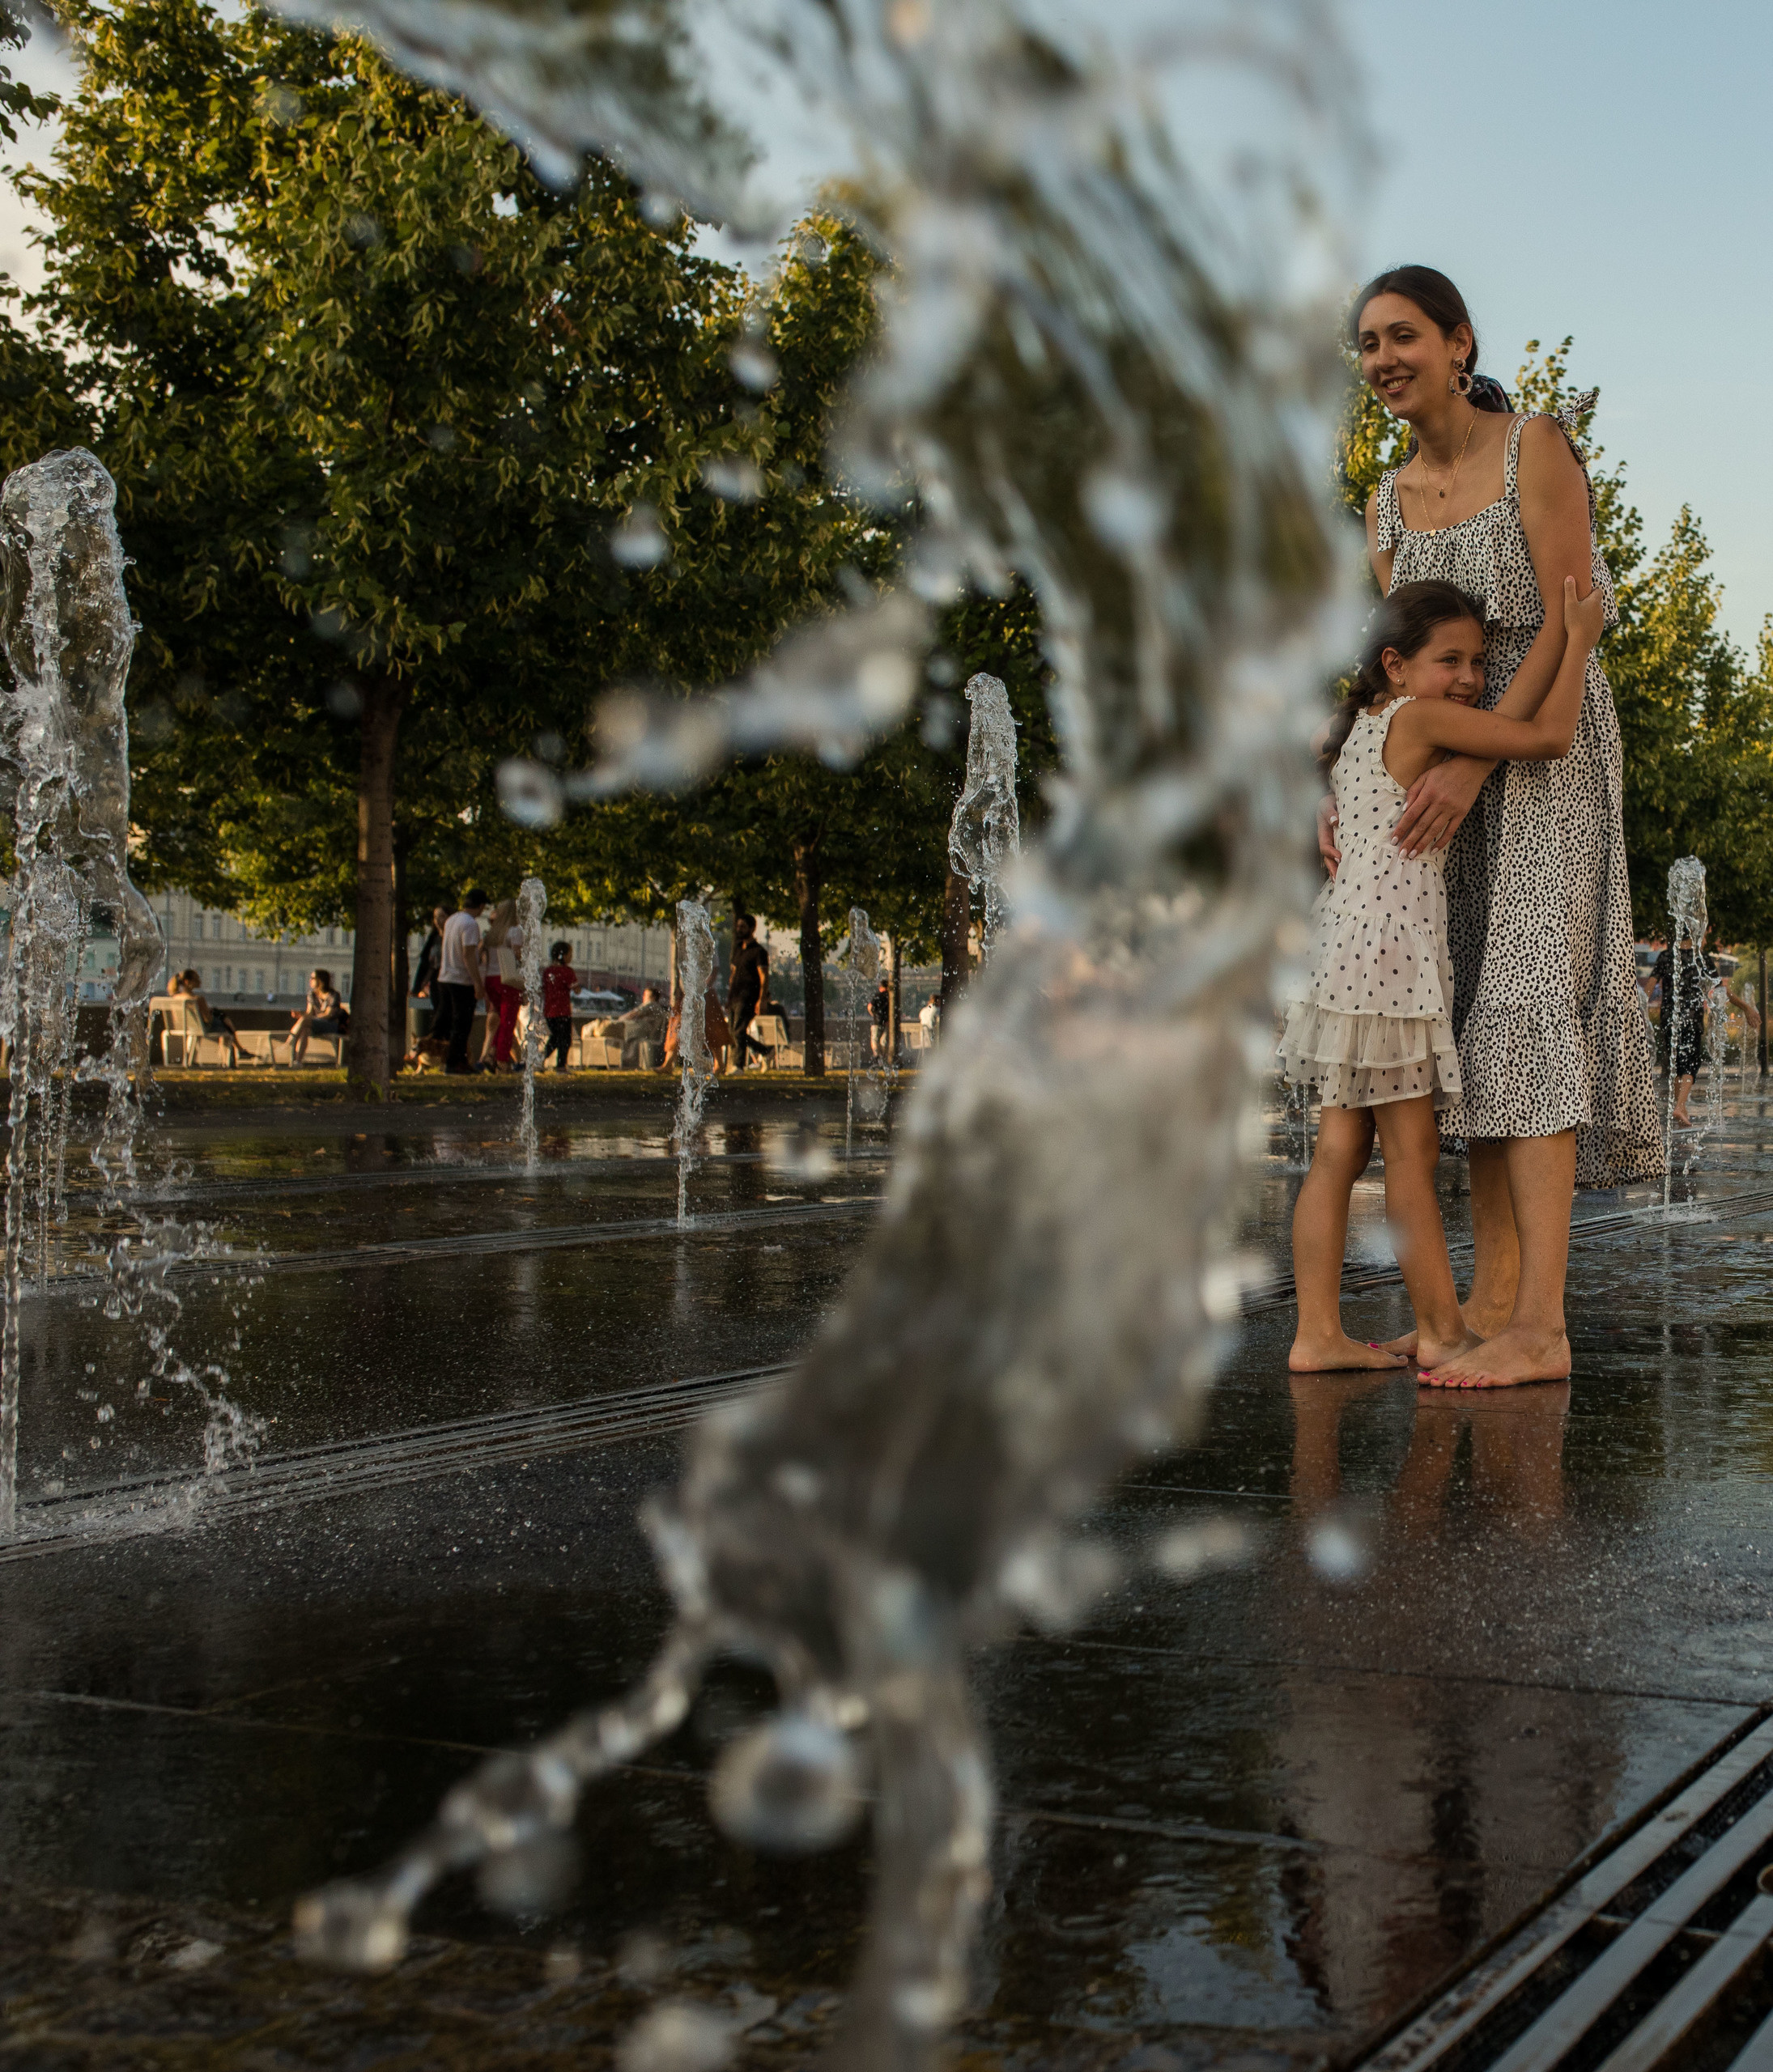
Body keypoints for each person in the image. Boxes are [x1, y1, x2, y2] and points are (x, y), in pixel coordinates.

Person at [1328, 266, 1661, 1388]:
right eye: (1367, 342)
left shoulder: (1534, 447)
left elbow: (1579, 621)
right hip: (1446, 762)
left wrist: (1472, 765)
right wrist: (1342, 798)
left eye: (1404, 335)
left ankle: (1543, 1328)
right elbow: (1398, 674)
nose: (1382, 359)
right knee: (1470, 1021)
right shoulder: (1382, 504)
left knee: (1522, 999)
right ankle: (1489, 1300)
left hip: (1545, 749)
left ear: (1459, 340)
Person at [1283, 575, 1604, 1378]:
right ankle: (1440, 1330)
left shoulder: (1354, 723)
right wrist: (1576, 644)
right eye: (1449, 659)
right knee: (1412, 1149)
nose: (1469, 676)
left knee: (1338, 1150)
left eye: (1479, 660)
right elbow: (1549, 735)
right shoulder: (1421, 718)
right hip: (1389, 953)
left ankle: (1317, 1333)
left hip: (1344, 948)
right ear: (1396, 664)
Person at [1650, 940, 1761, 1127]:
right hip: (1692, 1019)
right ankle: (1680, 1106)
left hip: (1669, 1019)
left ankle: (1681, 1109)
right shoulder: (1701, 959)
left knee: (1677, 1065)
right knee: (1690, 1065)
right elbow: (1723, 990)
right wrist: (1746, 1007)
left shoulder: (1666, 956)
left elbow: (1649, 987)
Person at [432, 890, 488, 1075]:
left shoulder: (452, 920)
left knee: (450, 1021)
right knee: (462, 1023)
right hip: (461, 980)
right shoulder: (470, 924)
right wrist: (477, 983)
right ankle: (455, 1062)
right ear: (481, 906)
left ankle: (454, 1060)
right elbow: (468, 955)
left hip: (445, 976)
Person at [478, 898, 525, 1070]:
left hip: (491, 980)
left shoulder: (492, 933)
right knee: (508, 1021)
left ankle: (491, 1053)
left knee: (499, 1019)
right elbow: (518, 954)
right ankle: (502, 1060)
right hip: (507, 979)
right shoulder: (514, 931)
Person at [725, 914, 769, 1073]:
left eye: (743, 927)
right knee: (733, 1032)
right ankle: (765, 1051)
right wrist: (729, 997)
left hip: (749, 996)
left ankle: (738, 1066)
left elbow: (764, 976)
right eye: (738, 926)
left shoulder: (759, 952)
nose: (739, 930)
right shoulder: (738, 949)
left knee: (739, 1030)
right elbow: (733, 974)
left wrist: (762, 999)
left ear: (752, 929)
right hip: (735, 996)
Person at [175, 968, 240, 1064]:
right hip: (201, 1028)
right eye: (197, 979)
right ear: (187, 981)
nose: (200, 981)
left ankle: (240, 1049)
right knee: (227, 1025)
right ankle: (231, 1057)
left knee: (223, 1018)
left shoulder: (176, 998)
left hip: (186, 1027)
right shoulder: (198, 999)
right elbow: (208, 1020)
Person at [287, 968, 346, 1067]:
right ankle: (298, 1061)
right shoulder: (312, 995)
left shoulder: (333, 995)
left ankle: (290, 1040)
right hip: (317, 1024)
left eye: (313, 978)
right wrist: (302, 1015)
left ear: (321, 980)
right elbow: (309, 1013)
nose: (310, 980)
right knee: (305, 1029)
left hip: (332, 1025)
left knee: (305, 1022)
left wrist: (310, 1018)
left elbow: (329, 1014)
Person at [612, 984, 668, 1068]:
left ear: (653, 997)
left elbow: (634, 1013)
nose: (643, 997)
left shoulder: (651, 1004)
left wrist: (620, 1019)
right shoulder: (657, 1007)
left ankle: (617, 1060)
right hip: (649, 1034)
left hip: (645, 1033)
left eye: (646, 995)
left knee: (618, 1031)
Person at [542, 940, 578, 1072]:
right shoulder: (568, 972)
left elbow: (543, 988)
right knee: (565, 1039)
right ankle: (561, 1065)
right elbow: (576, 989)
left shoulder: (548, 971)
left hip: (549, 1012)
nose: (571, 957)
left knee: (555, 1037)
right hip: (563, 1012)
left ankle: (540, 1059)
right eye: (570, 954)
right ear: (563, 955)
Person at [868, 978, 892, 1061]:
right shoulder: (891, 996)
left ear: (880, 987)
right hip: (888, 1022)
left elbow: (870, 1007)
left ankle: (877, 1055)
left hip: (877, 1022)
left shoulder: (877, 995)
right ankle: (883, 1059)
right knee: (884, 1042)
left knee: (875, 1040)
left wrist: (874, 1015)